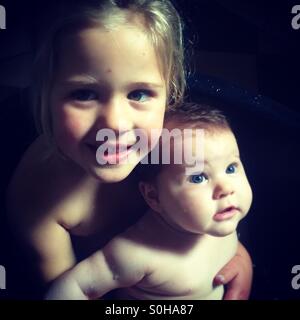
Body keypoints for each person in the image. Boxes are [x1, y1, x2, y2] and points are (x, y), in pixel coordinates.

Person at [6, 0, 252, 299]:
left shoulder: (176, 141)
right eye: (84, 94)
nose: (117, 124)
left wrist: (238, 255)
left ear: (169, 93)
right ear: (45, 93)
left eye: (139, 93)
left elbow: (218, 198)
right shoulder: (38, 201)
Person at [45, 102, 253, 300]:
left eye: (231, 168)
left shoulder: (221, 218)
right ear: (154, 197)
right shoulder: (136, 254)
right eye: (198, 177)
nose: (226, 189)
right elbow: (76, 286)